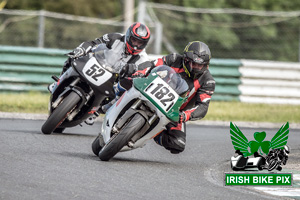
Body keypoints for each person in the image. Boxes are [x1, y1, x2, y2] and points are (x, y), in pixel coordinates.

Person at [117, 41, 216, 154]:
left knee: (177, 144)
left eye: (200, 65)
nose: (197, 68)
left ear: (206, 65)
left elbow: (203, 106)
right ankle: (116, 98)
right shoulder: (174, 59)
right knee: (127, 75)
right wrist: (139, 72)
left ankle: (154, 132)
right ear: (186, 60)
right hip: (151, 90)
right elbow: (152, 64)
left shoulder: (208, 81)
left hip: (174, 110)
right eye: (194, 64)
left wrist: (184, 116)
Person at [48, 22, 151, 125]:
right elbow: (94, 43)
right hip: (99, 64)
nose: (136, 45)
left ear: (145, 44)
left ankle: (96, 112)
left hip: (113, 80)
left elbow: (143, 73)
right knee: (73, 57)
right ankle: (59, 81)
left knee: (122, 93)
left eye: (140, 43)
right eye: (134, 40)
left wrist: (133, 73)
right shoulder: (115, 37)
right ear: (128, 36)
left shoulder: (143, 59)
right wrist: (82, 49)